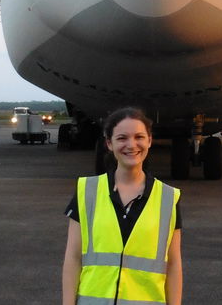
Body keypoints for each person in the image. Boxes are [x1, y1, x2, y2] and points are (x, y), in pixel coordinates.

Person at [62, 107, 182, 305]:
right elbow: (73, 257)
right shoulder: (87, 191)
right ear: (109, 143)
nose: (131, 145)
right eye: (122, 138)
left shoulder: (168, 198)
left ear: (150, 141)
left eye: (139, 137)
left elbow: (174, 264)